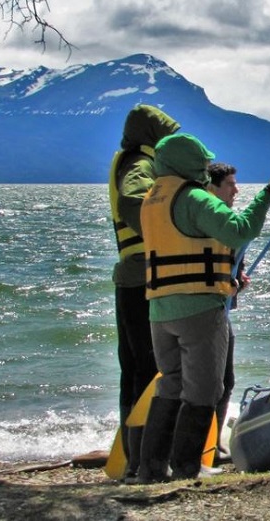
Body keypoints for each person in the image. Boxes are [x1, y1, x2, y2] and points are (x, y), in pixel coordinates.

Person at [136, 133, 270, 483]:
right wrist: (265, 197)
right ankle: (188, 468)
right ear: (189, 164)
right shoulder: (194, 198)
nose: (205, 168)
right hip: (199, 308)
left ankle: (150, 467)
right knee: (205, 389)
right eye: (201, 163)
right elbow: (238, 230)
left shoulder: (152, 198)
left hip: (159, 309)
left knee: (170, 385)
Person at [108, 104, 180, 479]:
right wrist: (168, 229)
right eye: (167, 135)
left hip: (131, 276)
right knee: (149, 368)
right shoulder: (140, 166)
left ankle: (134, 456)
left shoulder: (133, 160)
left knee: (135, 369)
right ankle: (143, 458)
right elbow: (133, 202)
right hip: (142, 278)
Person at [206, 162, 248, 461]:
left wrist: (238, 279)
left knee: (225, 379)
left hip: (221, 308)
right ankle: (207, 445)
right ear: (213, 187)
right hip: (209, 309)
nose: (236, 190)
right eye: (230, 184)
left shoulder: (224, 222)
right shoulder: (209, 222)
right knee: (216, 380)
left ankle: (214, 441)